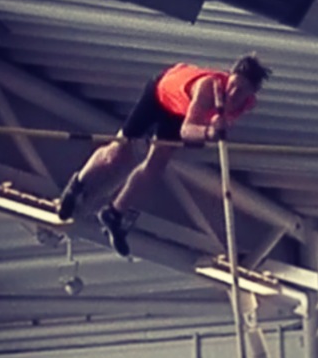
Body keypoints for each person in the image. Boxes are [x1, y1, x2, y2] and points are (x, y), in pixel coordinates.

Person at [57, 53, 272, 256]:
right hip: (160, 95)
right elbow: (187, 131)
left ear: (250, 95)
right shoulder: (209, 87)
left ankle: (114, 214)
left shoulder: (247, 105)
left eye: (241, 91)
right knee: (118, 152)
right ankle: (77, 185)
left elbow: (200, 135)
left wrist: (214, 129)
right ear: (229, 76)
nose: (233, 93)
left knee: (156, 166)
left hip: (179, 112)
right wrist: (209, 132)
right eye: (233, 85)